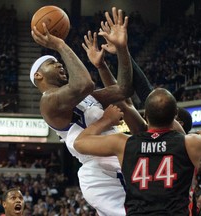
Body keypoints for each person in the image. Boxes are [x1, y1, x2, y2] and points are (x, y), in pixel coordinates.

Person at [30, 7, 133, 216]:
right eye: (53, 63)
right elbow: (84, 83)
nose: (60, 66)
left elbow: (124, 89)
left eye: (59, 62)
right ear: (39, 76)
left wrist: (122, 49)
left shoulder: (85, 97)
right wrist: (59, 44)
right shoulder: (48, 103)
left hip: (118, 157)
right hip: (99, 168)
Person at [74, 88, 201, 215]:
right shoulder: (192, 143)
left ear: (145, 115)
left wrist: (105, 120)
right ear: (175, 115)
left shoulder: (123, 143)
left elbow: (79, 143)